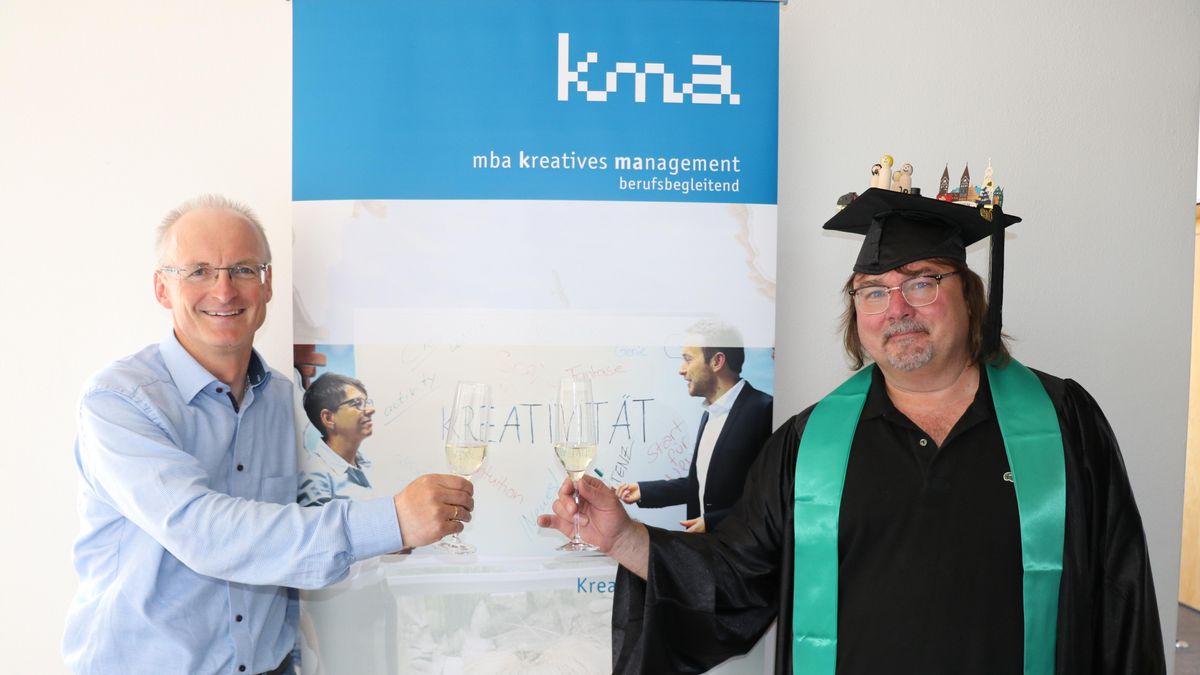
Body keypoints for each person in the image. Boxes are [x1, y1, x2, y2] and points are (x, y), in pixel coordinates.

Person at [539, 187, 1165, 674]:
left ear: (969, 296)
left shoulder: (1062, 421)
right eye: (873, 292)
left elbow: (1121, 597)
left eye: (921, 283)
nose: (897, 309)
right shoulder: (807, 443)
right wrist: (623, 538)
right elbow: (733, 579)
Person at [64, 195, 475, 675]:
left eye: (242, 269)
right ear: (162, 288)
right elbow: (204, 533)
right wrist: (390, 522)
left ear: (268, 284)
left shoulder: (288, 400)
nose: (223, 291)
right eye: (198, 271)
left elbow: (289, 536)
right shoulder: (119, 401)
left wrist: (389, 539)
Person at [615, 320, 773, 532]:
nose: (681, 370)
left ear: (717, 361)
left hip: (741, 549)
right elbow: (700, 485)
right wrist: (643, 491)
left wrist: (714, 522)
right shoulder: (710, 413)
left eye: (688, 359)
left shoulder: (765, 411)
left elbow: (769, 498)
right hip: (707, 548)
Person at [299, 372, 377, 506]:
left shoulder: (368, 462)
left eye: (367, 402)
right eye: (357, 404)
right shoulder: (314, 478)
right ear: (328, 418)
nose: (371, 410)